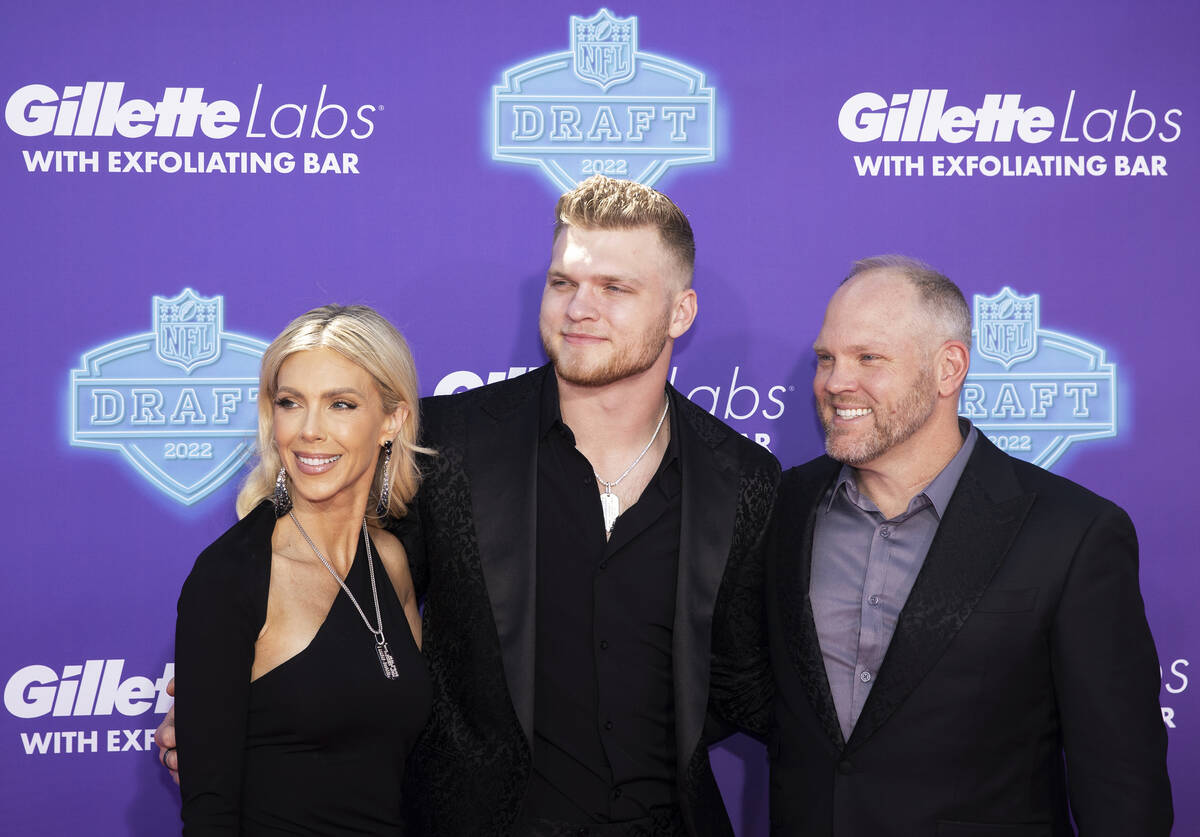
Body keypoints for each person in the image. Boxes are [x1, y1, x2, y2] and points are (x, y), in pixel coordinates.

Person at [159, 176, 779, 837]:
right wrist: (230, 715)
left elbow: (743, 682)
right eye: (563, 283)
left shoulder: (740, 477)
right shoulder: (447, 448)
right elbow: (347, 600)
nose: (579, 308)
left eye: (615, 288)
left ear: (680, 312)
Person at [764, 256, 1172, 835]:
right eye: (826, 358)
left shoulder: (1072, 533)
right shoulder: (783, 508)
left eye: (868, 358)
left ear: (948, 368)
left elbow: (1121, 785)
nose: (835, 383)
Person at [173, 305, 431, 835]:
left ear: (392, 420)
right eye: (291, 403)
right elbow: (209, 813)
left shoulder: (392, 562)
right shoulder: (232, 576)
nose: (309, 430)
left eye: (340, 404)